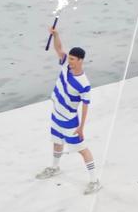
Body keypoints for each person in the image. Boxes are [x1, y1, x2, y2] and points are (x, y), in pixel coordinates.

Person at [39, 27, 97, 190]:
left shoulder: (84, 84)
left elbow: (85, 107)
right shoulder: (65, 64)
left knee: (82, 150)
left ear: (80, 60)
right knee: (56, 142)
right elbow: (58, 48)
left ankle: (94, 181)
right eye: (69, 58)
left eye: (72, 59)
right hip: (56, 114)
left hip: (70, 122)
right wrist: (56, 34)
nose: (68, 61)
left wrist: (81, 127)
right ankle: (55, 167)